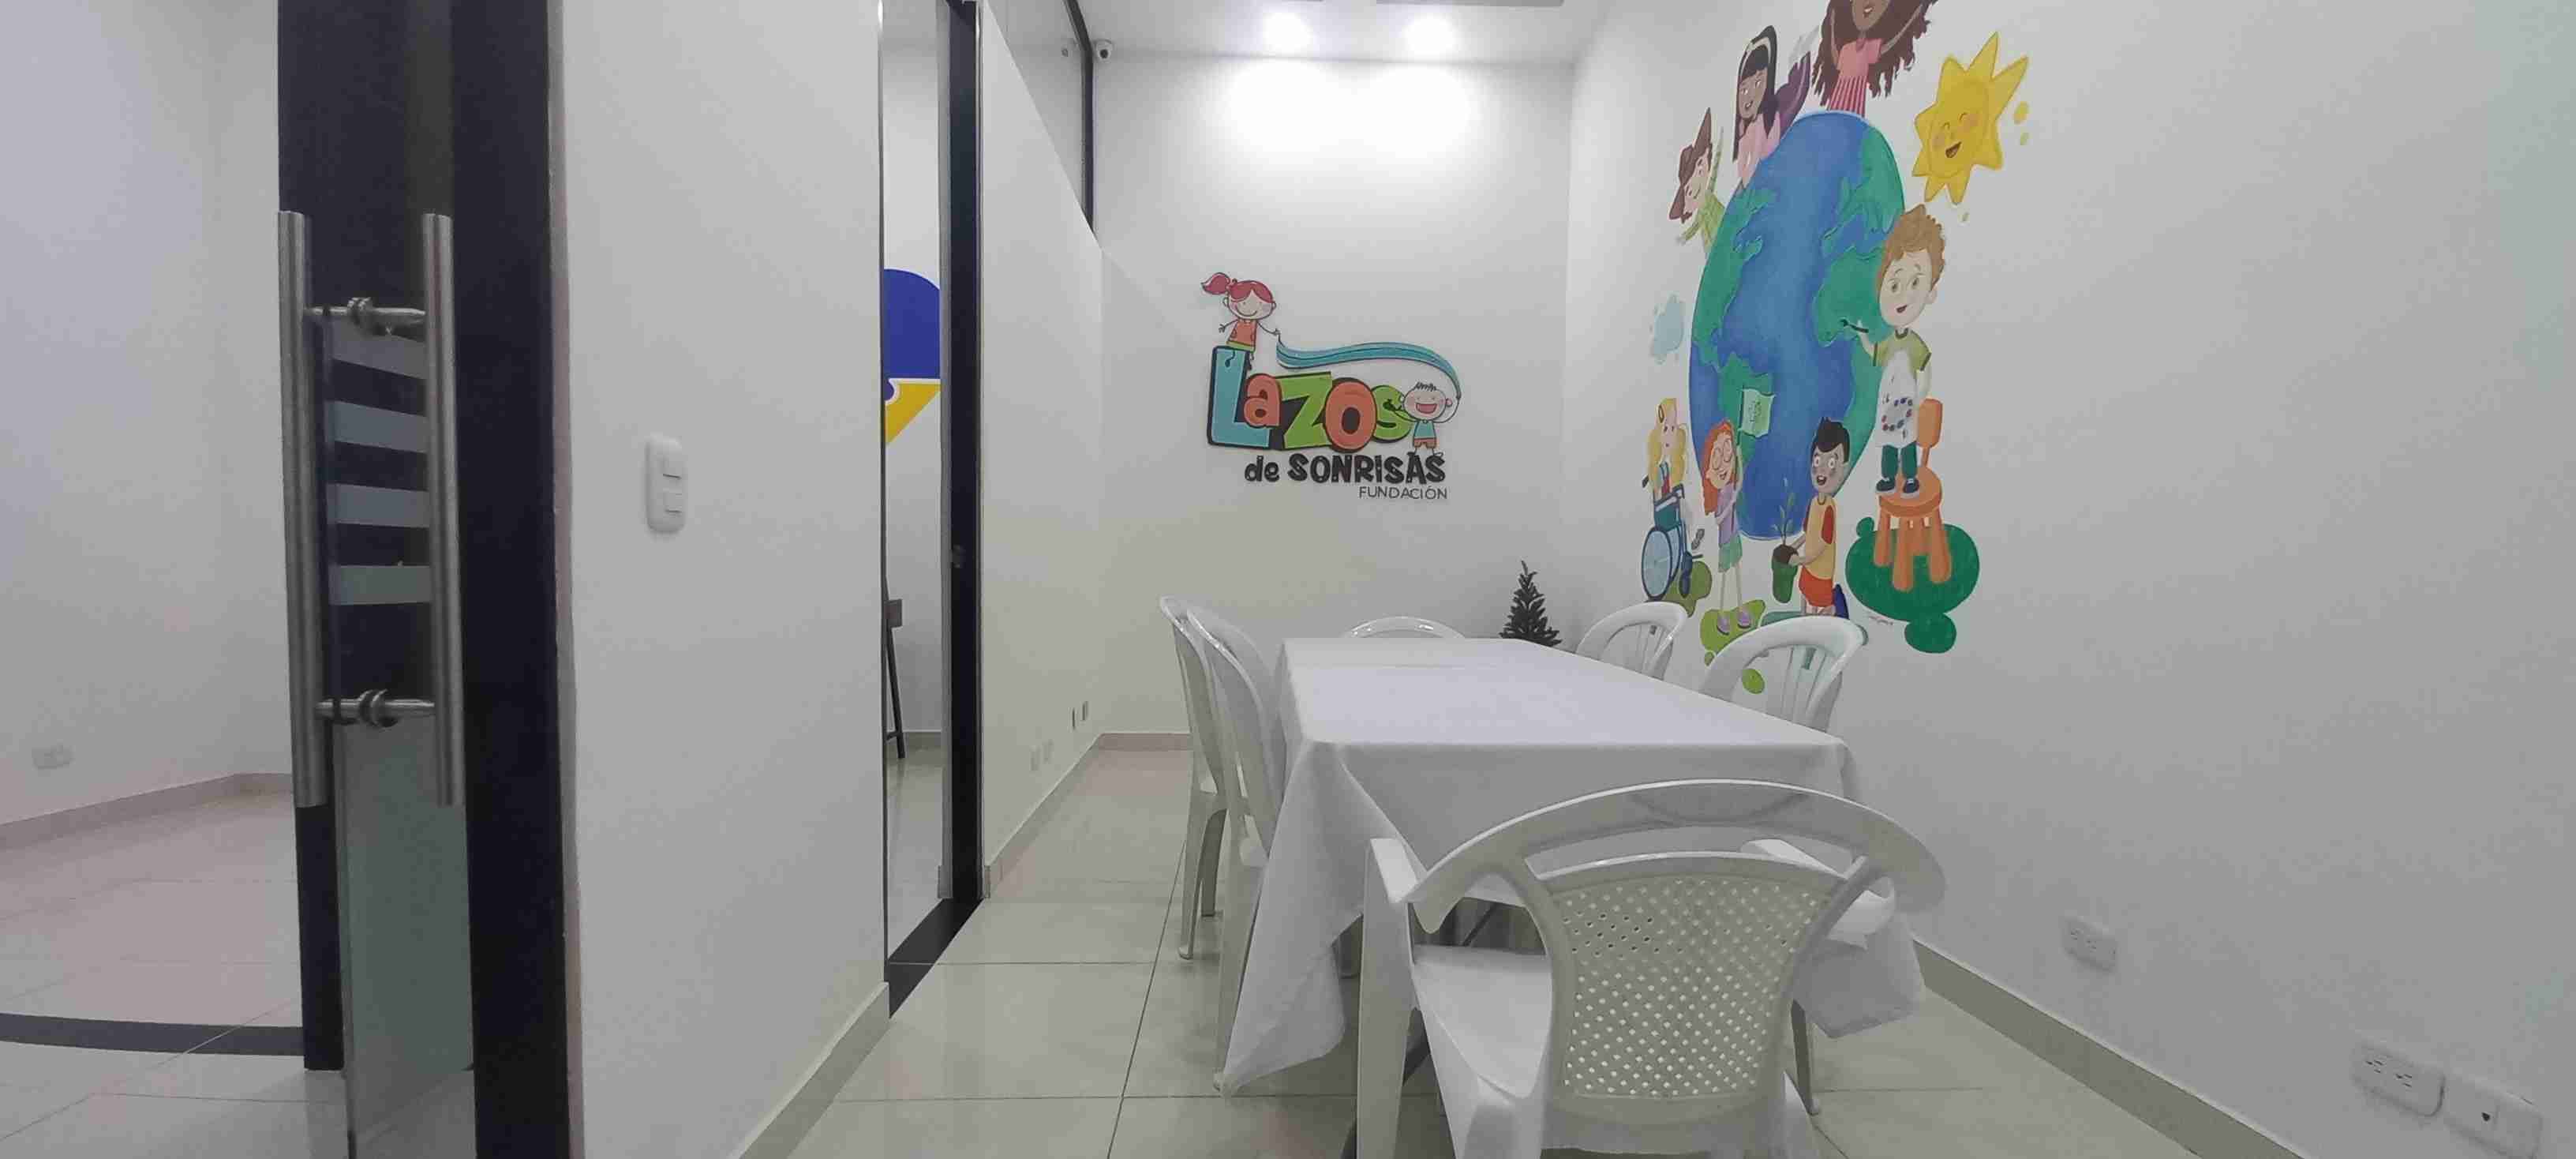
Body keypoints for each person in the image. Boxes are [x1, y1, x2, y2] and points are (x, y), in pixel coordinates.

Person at [1844, 206, 1943, 495]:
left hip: (1907, 402)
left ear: (1930, 292)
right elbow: (1875, 351)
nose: (1904, 295)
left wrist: (1920, 395)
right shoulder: (1888, 341)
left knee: (1907, 442)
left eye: (1915, 283)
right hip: (1888, 403)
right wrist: (1862, 335)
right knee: (1888, 442)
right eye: (1895, 284)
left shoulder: (1913, 343)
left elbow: (1925, 368)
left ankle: (1909, 478)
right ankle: (1888, 477)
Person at [1814, 0, 1937, 118]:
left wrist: (1908, 23)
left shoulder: (1870, 47)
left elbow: (1888, 46)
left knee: (1854, 113)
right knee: (1836, 111)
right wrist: (1832, 25)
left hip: (1856, 89)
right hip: (1840, 89)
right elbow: (1836, 58)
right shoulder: (1847, 48)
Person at [1732, 26, 1817, 190]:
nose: (1750, 95)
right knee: (1796, 86)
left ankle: (1802, 54)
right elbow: (1743, 163)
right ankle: (1798, 57)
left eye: (1758, 83)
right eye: (1744, 90)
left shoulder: (1761, 123)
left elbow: (1755, 159)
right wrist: (1741, 138)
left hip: (1780, 119)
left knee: (1799, 88)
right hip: (1773, 134)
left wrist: (1747, 182)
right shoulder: (1748, 129)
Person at [1788, 420, 1854, 617]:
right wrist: (1793, 547)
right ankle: (1803, 618)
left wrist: (1802, 560)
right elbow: (1809, 533)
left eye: (1831, 463)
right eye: (1818, 461)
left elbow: (1824, 543)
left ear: (1843, 468)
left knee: (1818, 600)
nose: (1822, 470)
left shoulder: (1829, 508)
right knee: (1804, 591)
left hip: (1821, 568)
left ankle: (1832, 610)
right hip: (1809, 565)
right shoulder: (1813, 503)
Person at [1701, 420, 1753, 630]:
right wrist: (1729, 506)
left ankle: (1741, 608)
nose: (1724, 463)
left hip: (1734, 533)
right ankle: (1722, 612)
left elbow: (1739, 483)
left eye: (1728, 454)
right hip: (1725, 538)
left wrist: (1738, 457)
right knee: (1724, 575)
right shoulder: (1720, 495)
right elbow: (1717, 520)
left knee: (1737, 568)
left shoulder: (1730, 486)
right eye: (1717, 458)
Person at [1670, 111, 1720, 250]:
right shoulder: (1701, 214)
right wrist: (1685, 237)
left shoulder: (1709, 193)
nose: (1695, 184)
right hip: (1713, 245)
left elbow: (1714, 171)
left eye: (1700, 166)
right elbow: (1694, 227)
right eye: (1689, 191)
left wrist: (1720, 146)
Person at [1201, 272, 1277, 352]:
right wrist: (1224, 327)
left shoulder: (1253, 323)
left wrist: (1271, 332)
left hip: (1249, 343)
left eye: (1259, 304)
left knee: (1245, 353)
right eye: (1243, 303)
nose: (1249, 309)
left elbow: (1262, 326)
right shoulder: (1246, 321)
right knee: (1233, 351)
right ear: (1226, 302)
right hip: (1235, 340)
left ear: (1272, 306)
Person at [1404, 381, 1457, 450]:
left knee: (1431, 444)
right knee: (1417, 444)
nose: (1425, 401)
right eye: (1418, 398)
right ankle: (1416, 452)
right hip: (1419, 435)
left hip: (1430, 435)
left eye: (1433, 398)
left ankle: (1432, 453)